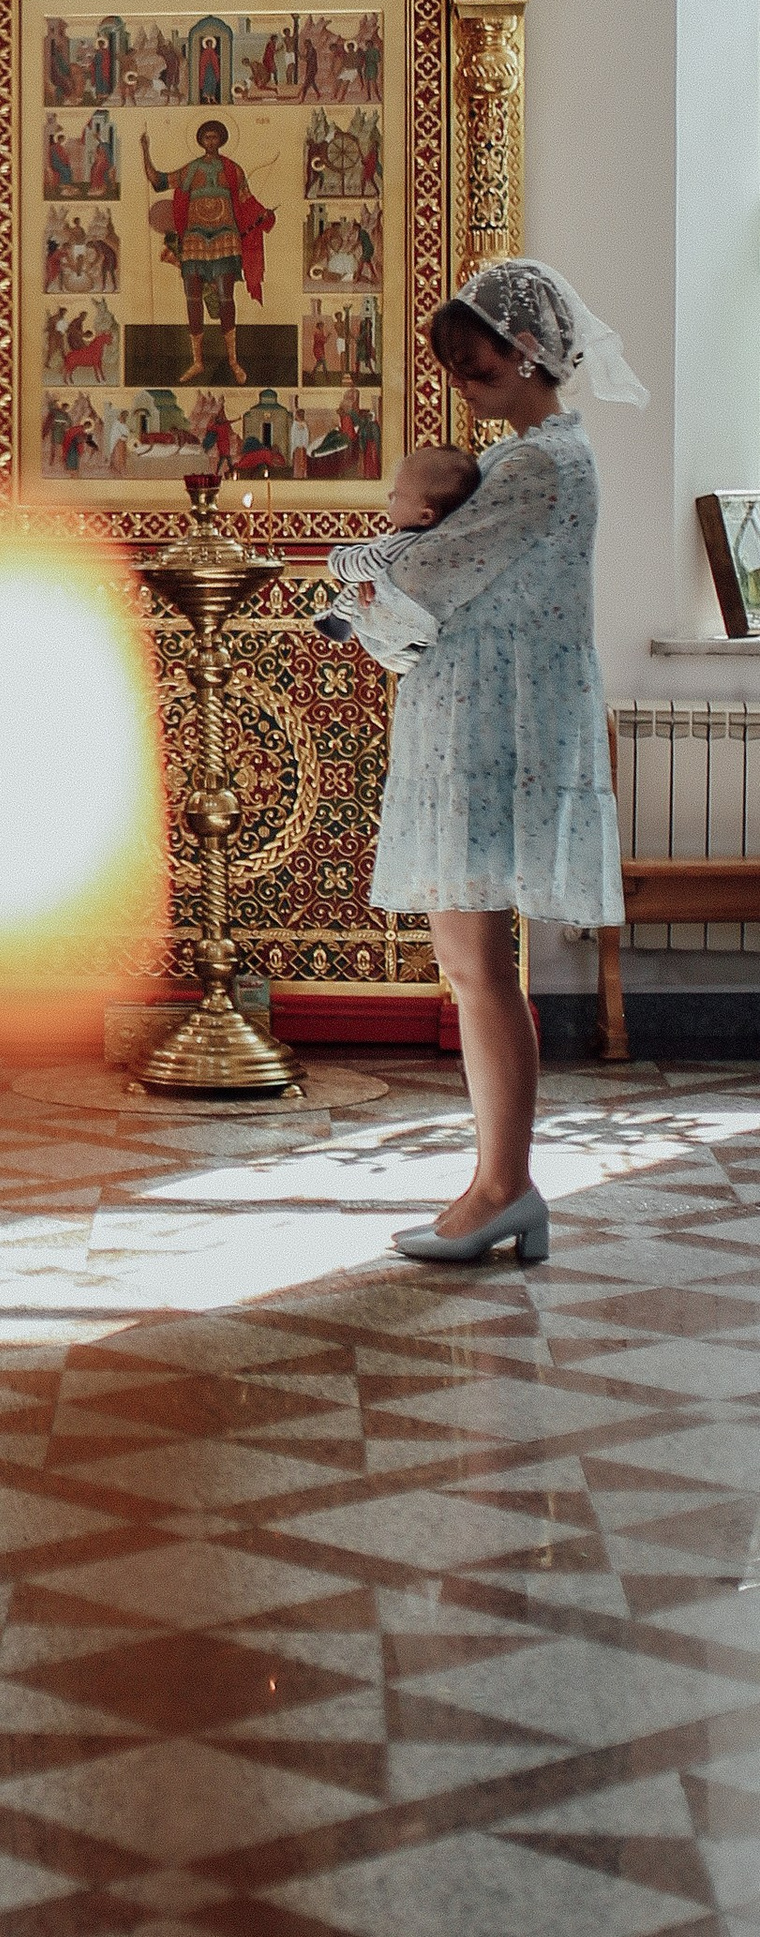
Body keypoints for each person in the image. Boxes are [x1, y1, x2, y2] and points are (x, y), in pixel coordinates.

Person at [335, 260, 645, 1266]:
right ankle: (497, 1185)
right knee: (477, 968)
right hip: (484, 715)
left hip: (487, 729)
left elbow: (421, 578)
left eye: (475, 371)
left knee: (475, 968)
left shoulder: (533, 467)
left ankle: (502, 1187)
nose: (464, 390)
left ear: (525, 357)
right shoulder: (537, 455)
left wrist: (361, 574)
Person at [309, 440, 482, 648]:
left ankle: (338, 619)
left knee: (363, 583)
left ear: (425, 515)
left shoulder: (405, 545)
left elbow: (366, 564)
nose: (390, 495)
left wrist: (337, 560)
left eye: (397, 494)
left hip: (406, 635)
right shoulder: (444, 539)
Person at [143, 117, 273, 384]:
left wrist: (264, 214)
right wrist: (145, 151)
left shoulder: (232, 170)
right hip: (194, 240)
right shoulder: (191, 170)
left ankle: (233, 360)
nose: (210, 141)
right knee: (192, 298)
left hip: (225, 238)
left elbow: (247, 202)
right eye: (206, 137)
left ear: (221, 140)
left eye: (215, 137)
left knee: (226, 299)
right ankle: (198, 362)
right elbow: (158, 182)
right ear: (201, 141)